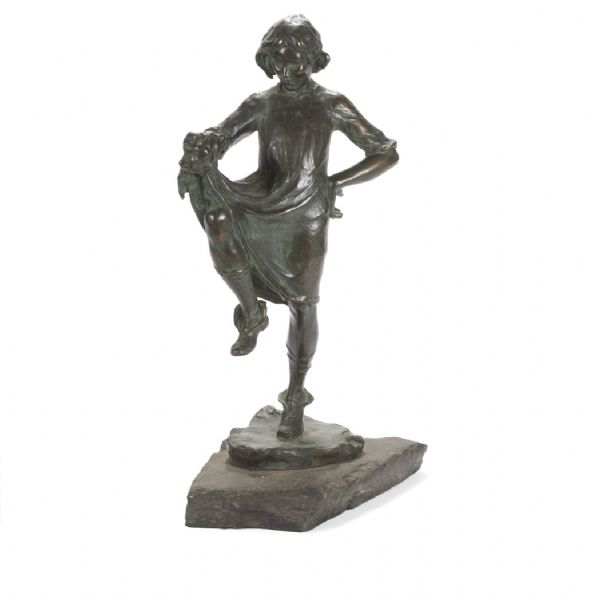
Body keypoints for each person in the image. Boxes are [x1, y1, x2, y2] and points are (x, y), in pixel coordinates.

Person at [178, 15, 398, 439]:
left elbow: (384, 152)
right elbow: (223, 134)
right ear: (268, 61)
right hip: (261, 196)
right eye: (279, 59)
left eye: (297, 59)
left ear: (314, 60)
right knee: (218, 219)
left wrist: (334, 183)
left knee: (302, 304)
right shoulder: (261, 103)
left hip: (306, 214)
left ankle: (295, 396)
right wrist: (207, 142)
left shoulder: (331, 103)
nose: (288, 68)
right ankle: (252, 312)